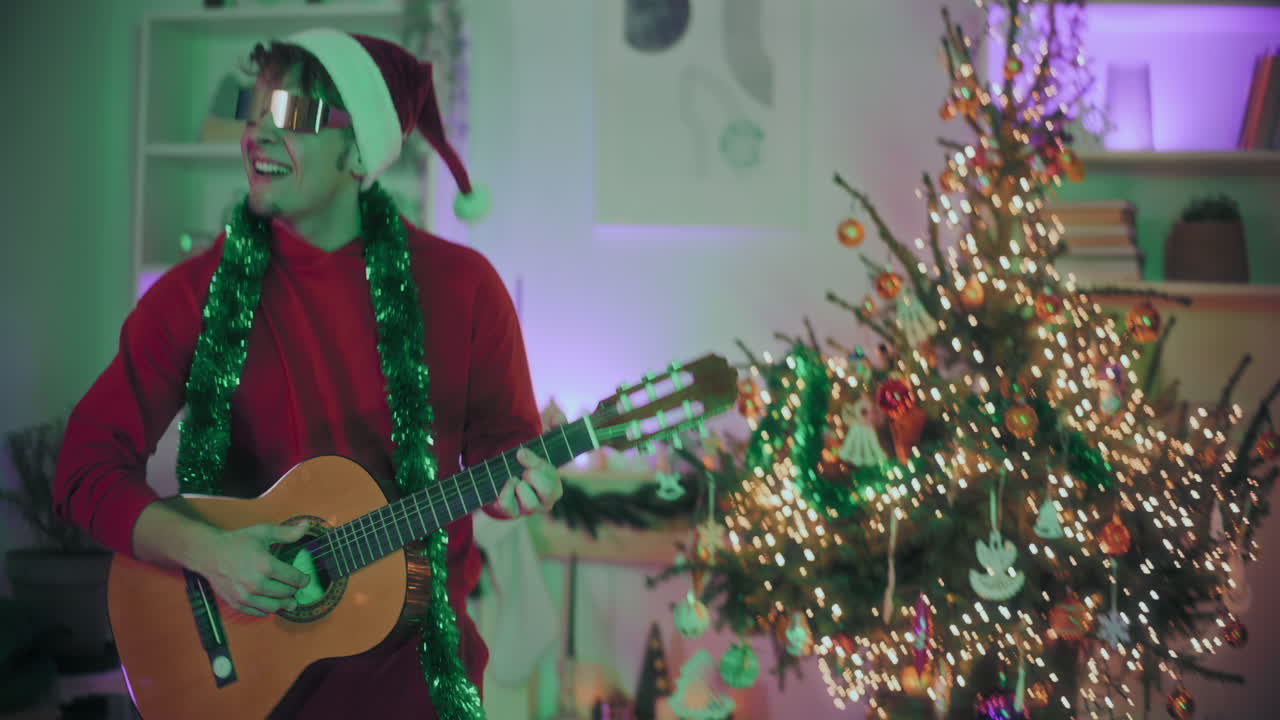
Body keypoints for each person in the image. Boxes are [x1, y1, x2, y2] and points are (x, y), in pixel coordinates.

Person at [52, 29, 562, 719]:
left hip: (416, 687)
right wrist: (209, 551)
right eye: (251, 111)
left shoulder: (464, 288)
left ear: (360, 151)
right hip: (246, 679)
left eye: (290, 115)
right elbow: (83, 466)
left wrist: (523, 485)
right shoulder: (192, 296)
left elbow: (506, 459)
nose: (256, 135)